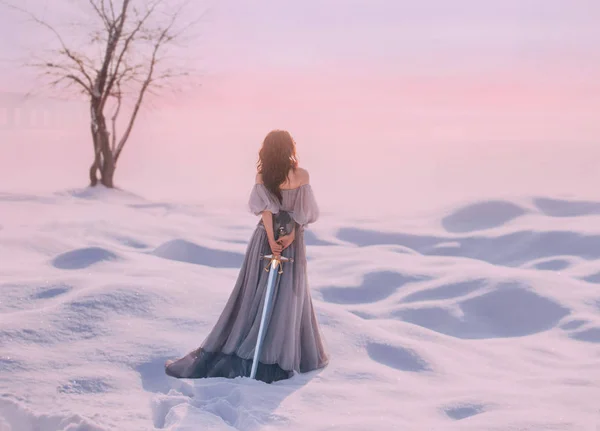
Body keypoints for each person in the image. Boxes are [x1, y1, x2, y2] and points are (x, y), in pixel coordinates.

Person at [165, 130, 329, 383]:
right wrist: (289, 237)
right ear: (290, 148)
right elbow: (303, 212)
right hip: (292, 241)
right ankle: (278, 350)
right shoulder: (302, 175)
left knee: (253, 290)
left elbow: (265, 211)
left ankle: (252, 339)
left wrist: (273, 239)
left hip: (265, 239)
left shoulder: (263, 176)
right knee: (289, 294)